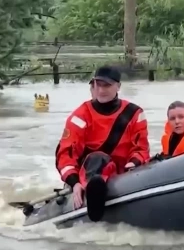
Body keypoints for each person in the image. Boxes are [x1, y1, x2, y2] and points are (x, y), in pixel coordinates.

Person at [55, 66, 150, 221]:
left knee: (107, 161)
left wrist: (134, 162)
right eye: (98, 85)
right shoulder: (81, 116)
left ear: (118, 86)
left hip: (122, 174)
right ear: (93, 86)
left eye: (107, 85)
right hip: (90, 170)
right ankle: (92, 191)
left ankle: (99, 188)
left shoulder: (135, 113)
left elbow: (141, 149)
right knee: (97, 158)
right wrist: (74, 183)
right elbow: (66, 154)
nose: (102, 90)